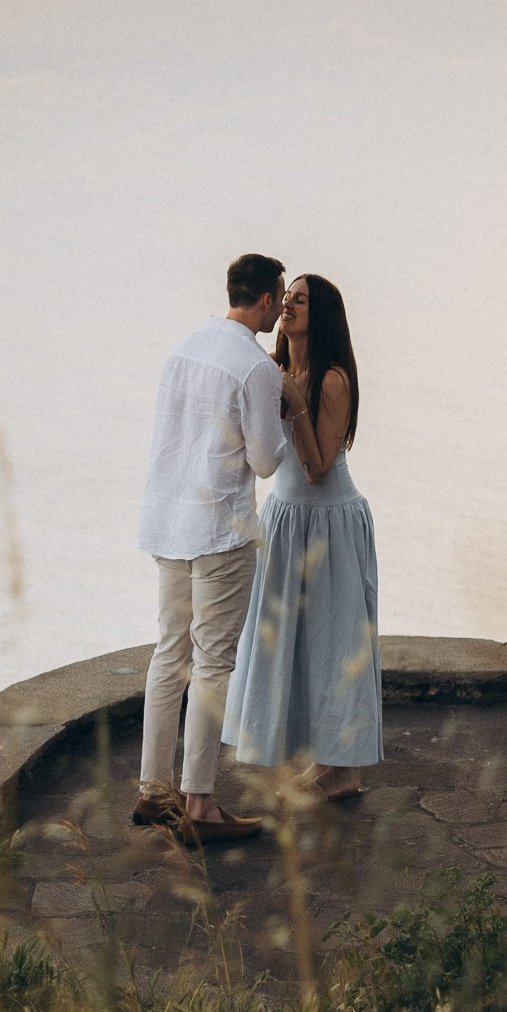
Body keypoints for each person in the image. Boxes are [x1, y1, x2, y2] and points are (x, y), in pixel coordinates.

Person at [132, 251, 287, 845]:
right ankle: (199, 803)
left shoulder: (184, 348)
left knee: (169, 654)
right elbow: (266, 461)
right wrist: (286, 404)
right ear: (267, 299)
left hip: (168, 519)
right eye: (280, 299)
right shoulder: (255, 368)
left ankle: (153, 792)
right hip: (219, 529)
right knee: (214, 662)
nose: (280, 310)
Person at [223, 272, 383, 799]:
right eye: (287, 297)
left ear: (323, 316)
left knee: (335, 644)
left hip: (329, 522)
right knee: (287, 644)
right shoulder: (275, 369)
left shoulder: (332, 380)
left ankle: (344, 769)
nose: (288, 305)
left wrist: (296, 405)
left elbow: (316, 469)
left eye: (301, 300)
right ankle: (317, 757)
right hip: (285, 520)